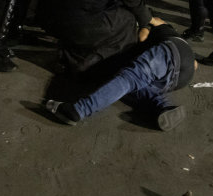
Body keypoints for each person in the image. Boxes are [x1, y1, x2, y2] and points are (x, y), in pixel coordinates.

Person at [46, 19, 195, 131]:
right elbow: (195, 65)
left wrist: (143, 23)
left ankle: (79, 110)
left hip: (170, 51)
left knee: (129, 79)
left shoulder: (158, 26)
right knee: (130, 87)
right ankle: (165, 107)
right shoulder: (171, 34)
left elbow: (143, 36)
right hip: (180, 77)